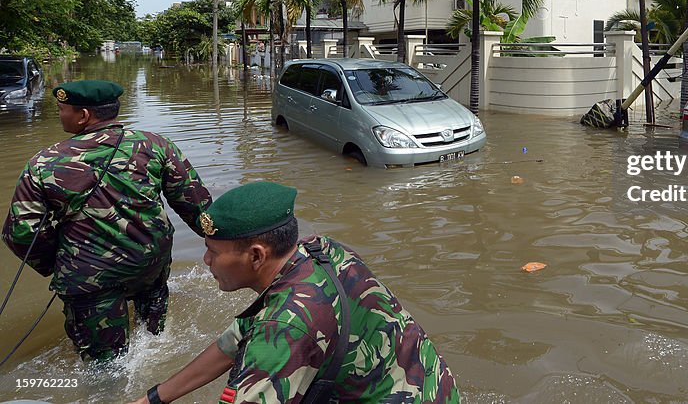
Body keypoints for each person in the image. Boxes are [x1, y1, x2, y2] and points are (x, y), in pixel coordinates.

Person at [129, 181, 459, 404]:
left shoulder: (285, 328)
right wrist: (153, 398)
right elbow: (231, 343)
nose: (206, 260)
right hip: (436, 386)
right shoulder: (321, 251)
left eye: (213, 251)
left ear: (256, 255)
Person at [2, 80, 211, 361]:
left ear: (84, 115)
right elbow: (197, 206)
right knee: (154, 341)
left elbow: (21, 233)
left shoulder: (43, 163)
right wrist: (223, 244)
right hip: (150, 265)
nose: (59, 114)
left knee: (106, 369)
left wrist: (58, 263)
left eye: (62, 109)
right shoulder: (156, 145)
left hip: (89, 277)